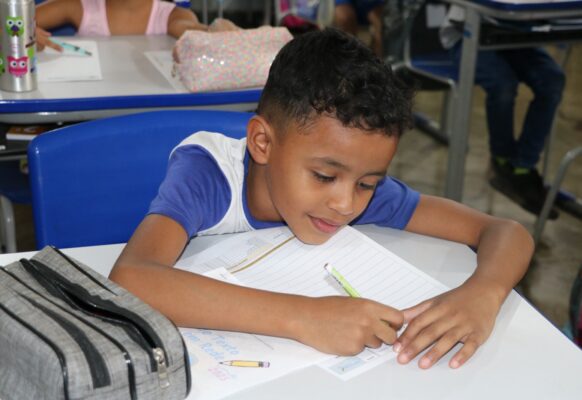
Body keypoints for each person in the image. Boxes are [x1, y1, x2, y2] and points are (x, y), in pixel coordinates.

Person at [110, 28, 533, 369]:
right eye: (324, 176)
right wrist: (304, 317)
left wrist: (484, 293)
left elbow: (504, 231)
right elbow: (132, 279)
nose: (346, 204)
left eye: (367, 183)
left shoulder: (360, 187)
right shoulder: (207, 175)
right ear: (262, 142)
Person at [440, 6, 565, 219]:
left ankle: (522, 167)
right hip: (468, 32)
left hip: (519, 35)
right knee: (503, 85)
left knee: (552, 80)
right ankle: (501, 161)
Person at [35, 0, 239, 52]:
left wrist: (212, 31)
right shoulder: (76, 6)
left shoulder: (172, 15)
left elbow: (187, 28)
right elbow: (17, 22)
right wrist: (24, 36)